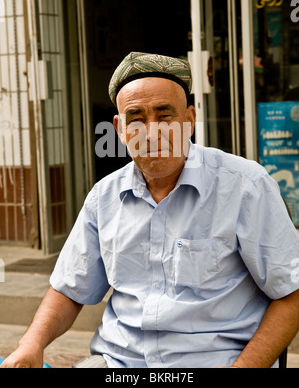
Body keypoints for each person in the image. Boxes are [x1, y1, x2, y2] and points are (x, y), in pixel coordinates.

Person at [2, 52, 299, 369]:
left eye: (164, 115)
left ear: (189, 120)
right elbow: (69, 290)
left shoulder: (245, 186)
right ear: (119, 128)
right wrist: (30, 344)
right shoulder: (104, 198)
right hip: (119, 362)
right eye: (136, 118)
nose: (152, 131)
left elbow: (292, 295)